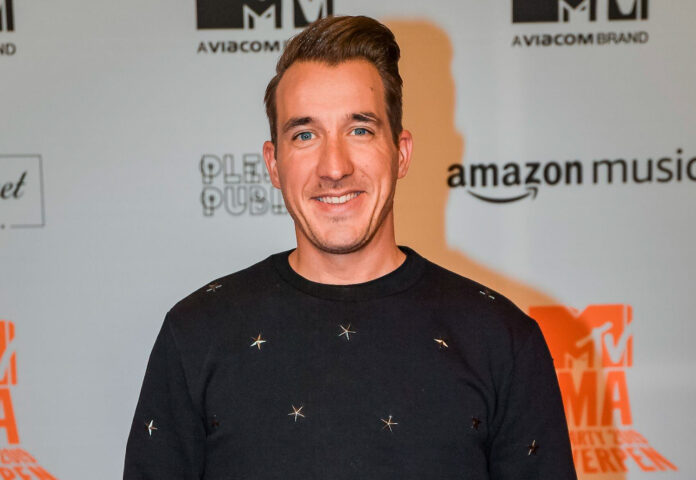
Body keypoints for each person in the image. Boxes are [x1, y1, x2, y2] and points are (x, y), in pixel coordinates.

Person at [124, 15, 577, 480]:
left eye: (360, 130)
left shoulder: (501, 339)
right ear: (273, 164)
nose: (334, 167)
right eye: (305, 135)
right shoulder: (196, 333)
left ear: (401, 153)